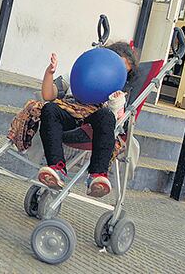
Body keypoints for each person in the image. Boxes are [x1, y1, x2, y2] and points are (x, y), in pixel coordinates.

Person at [34, 42, 138, 198]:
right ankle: (56, 167)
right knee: (49, 108)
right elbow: (49, 95)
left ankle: (97, 176)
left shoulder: (117, 93)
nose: (117, 72)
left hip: (91, 125)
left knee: (107, 116)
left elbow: (116, 123)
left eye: (123, 72)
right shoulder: (78, 75)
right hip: (69, 115)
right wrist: (49, 73)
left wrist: (115, 103)